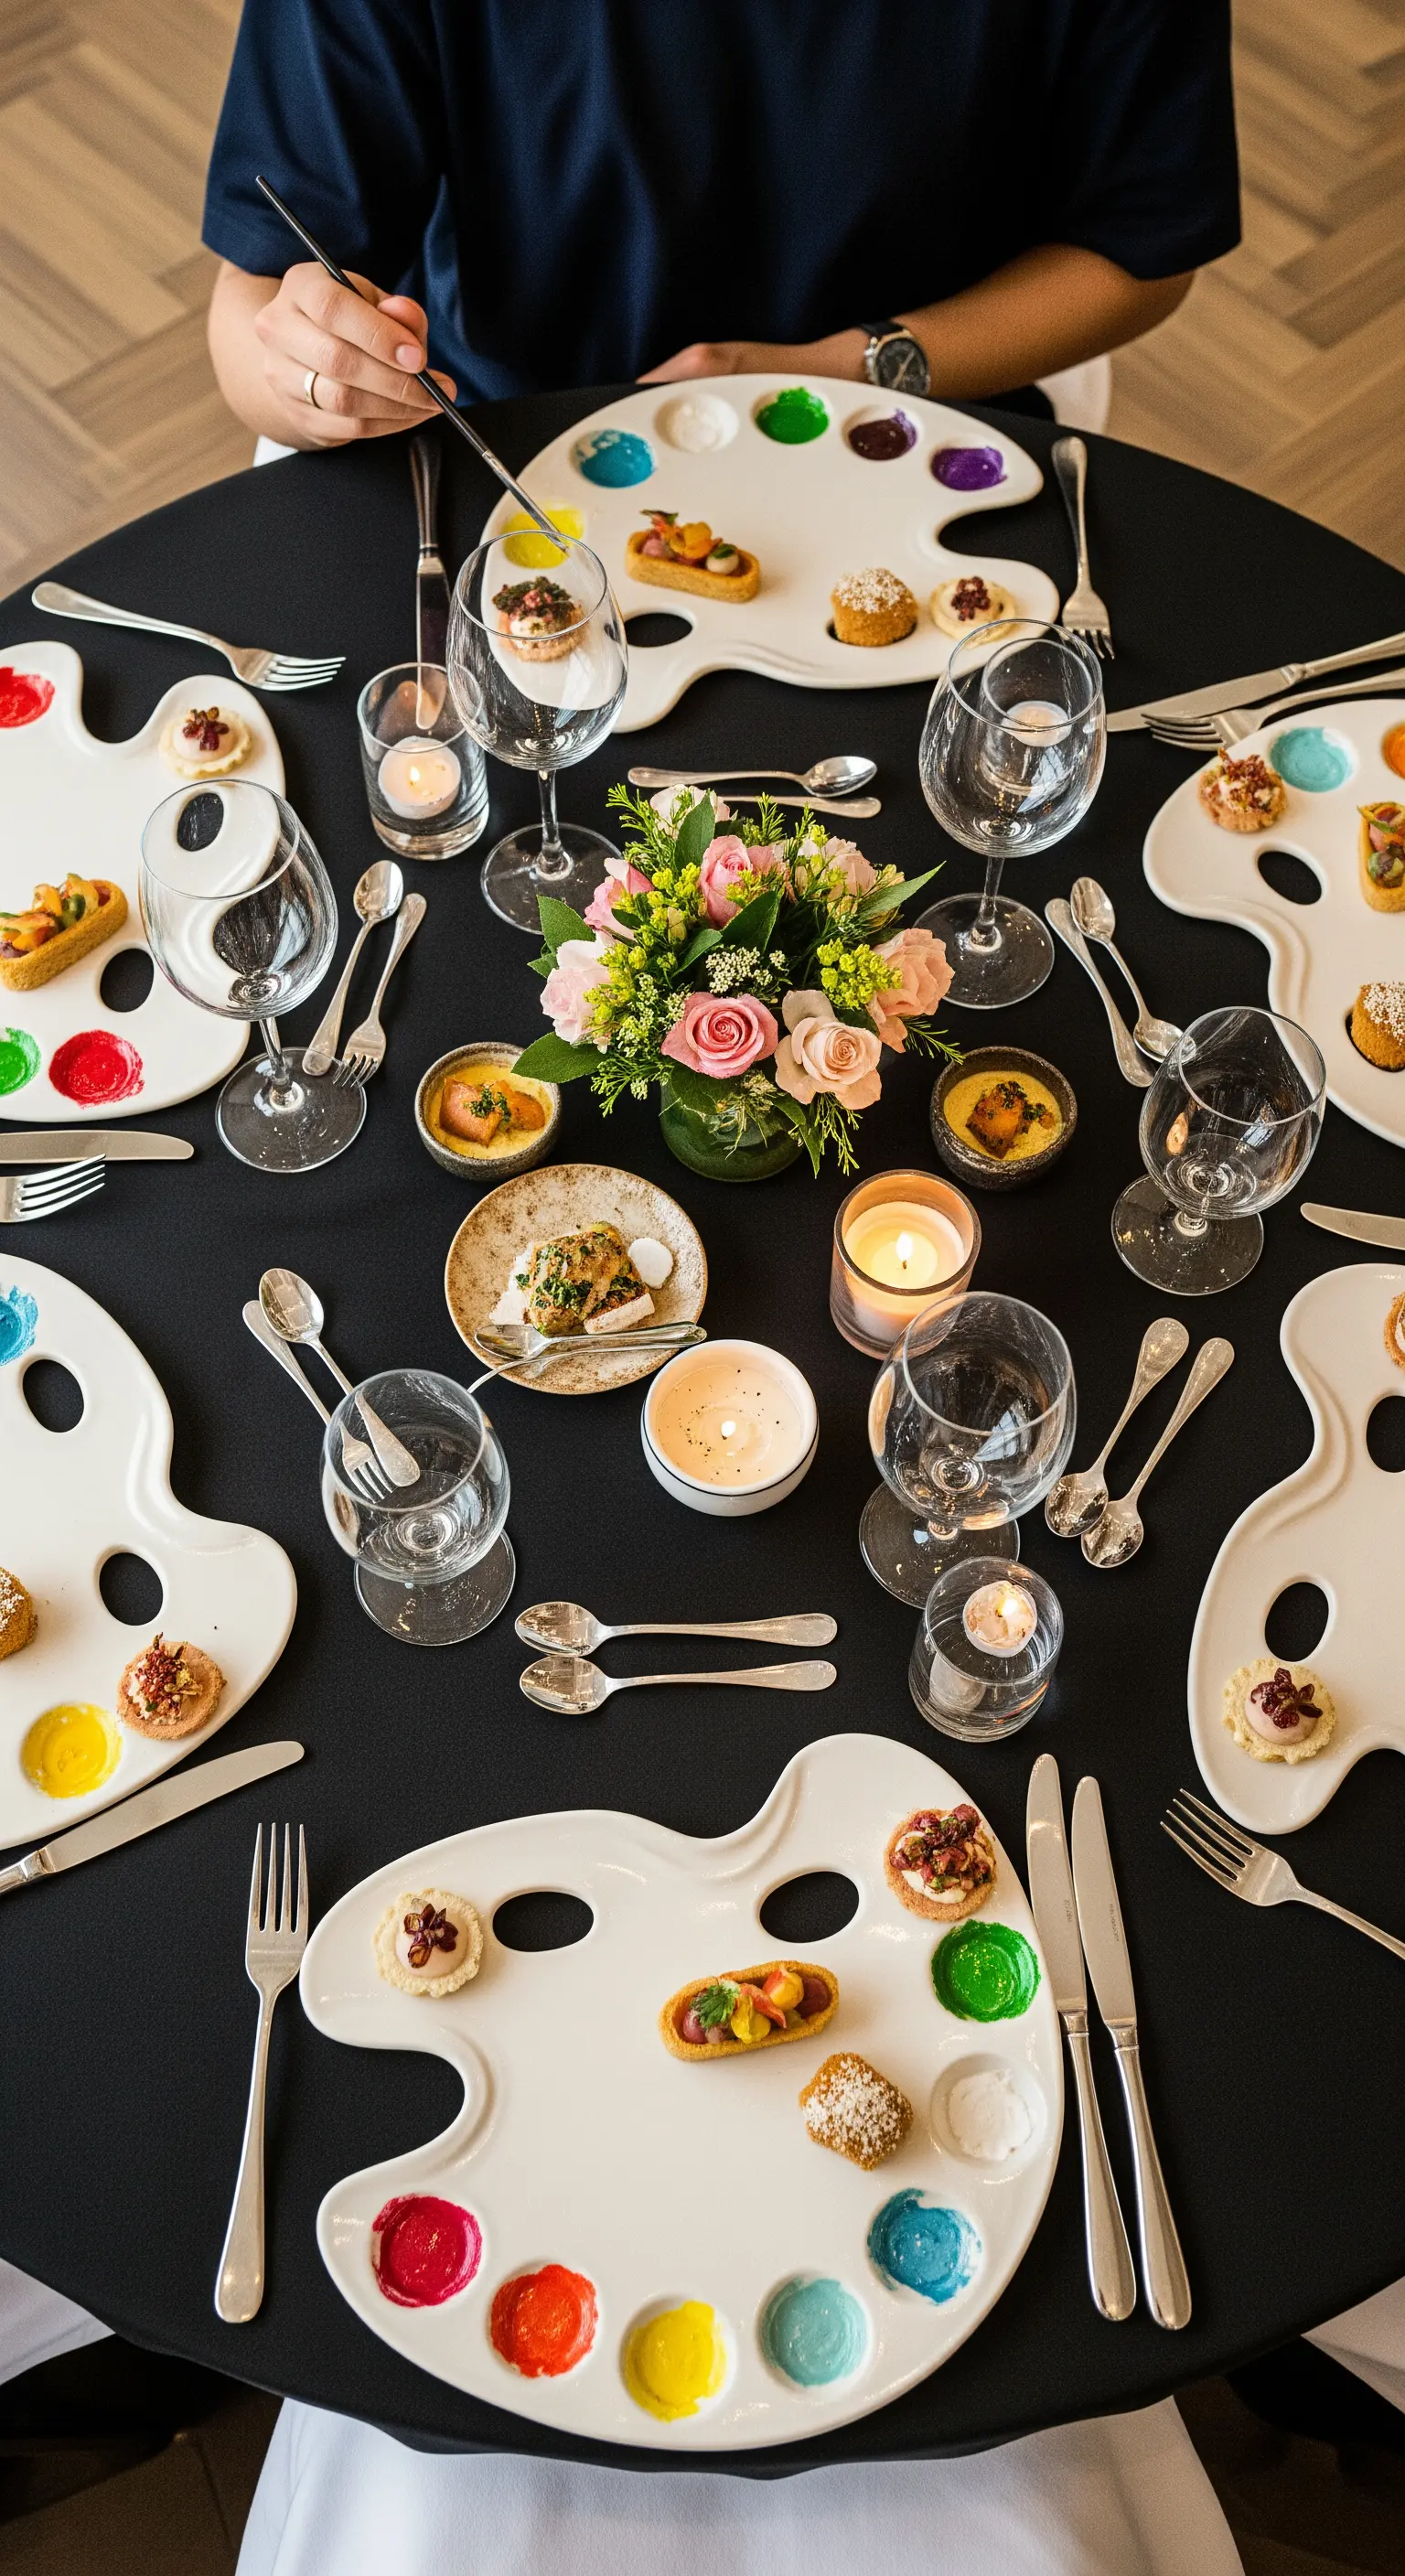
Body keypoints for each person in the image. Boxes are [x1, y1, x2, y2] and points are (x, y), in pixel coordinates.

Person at [201, 0, 1238, 452]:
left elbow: (1137, 249)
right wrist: (315, 379)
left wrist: (840, 370)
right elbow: (254, 308)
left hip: (907, 433)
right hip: (512, 445)